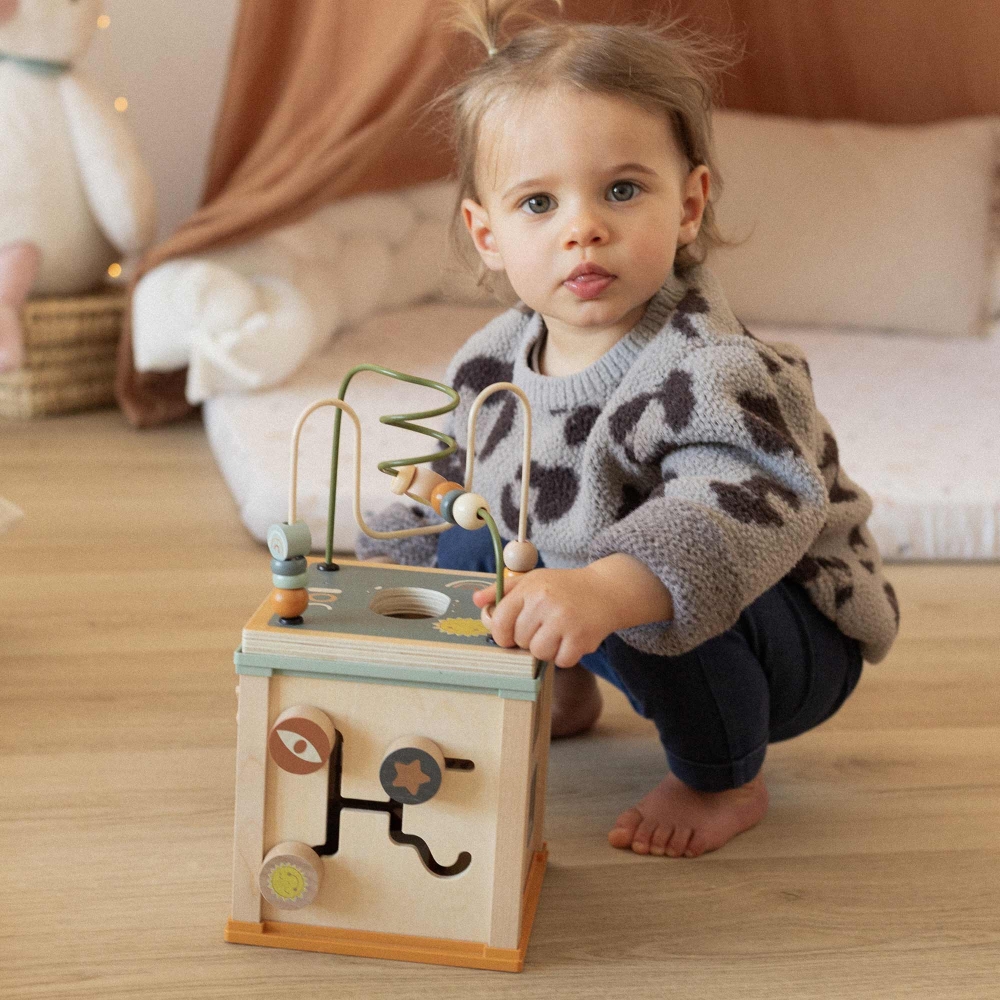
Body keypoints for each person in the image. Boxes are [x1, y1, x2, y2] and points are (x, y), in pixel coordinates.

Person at [356, 0, 900, 859]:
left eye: (621, 190)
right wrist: (387, 551)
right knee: (478, 541)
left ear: (688, 205)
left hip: (788, 630)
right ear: (485, 232)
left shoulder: (709, 368)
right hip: (606, 601)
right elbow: (458, 466)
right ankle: (564, 683)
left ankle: (720, 776)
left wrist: (606, 590)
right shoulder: (492, 361)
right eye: (538, 202)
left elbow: (739, 509)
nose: (584, 227)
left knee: (604, 559)